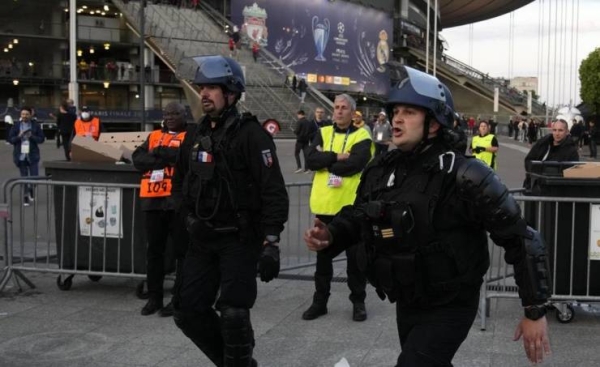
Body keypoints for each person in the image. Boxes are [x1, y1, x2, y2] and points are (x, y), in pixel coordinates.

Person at [303, 65, 552, 366]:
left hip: (452, 301)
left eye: (409, 112)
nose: (396, 118)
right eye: (396, 111)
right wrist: (331, 235)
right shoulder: (383, 169)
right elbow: (359, 215)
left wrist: (534, 311)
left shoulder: (466, 174)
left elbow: (522, 239)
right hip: (408, 296)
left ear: (433, 124)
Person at [171, 55, 289, 367]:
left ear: (232, 93)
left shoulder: (252, 135)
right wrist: (186, 221)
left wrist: (271, 241)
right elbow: (180, 183)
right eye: (202, 87)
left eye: (213, 87)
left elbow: (273, 190)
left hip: (239, 238)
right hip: (201, 236)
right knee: (186, 311)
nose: (204, 94)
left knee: (234, 313)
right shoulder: (194, 135)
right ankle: (231, 360)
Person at [302, 93, 373, 322]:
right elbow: (311, 160)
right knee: (323, 261)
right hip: (324, 207)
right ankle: (319, 302)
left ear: (353, 113)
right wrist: (337, 157)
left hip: (350, 208)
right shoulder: (322, 131)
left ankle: (358, 302)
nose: (339, 111)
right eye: (336, 107)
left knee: (355, 261)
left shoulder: (362, 135)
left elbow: (355, 164)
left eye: (344, 108)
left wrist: (328, 162)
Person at [132, 102, 189, 317]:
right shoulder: (154, 135)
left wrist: (157, 156)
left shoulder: (189, 136)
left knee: (180, 252)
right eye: (167, 114)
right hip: (153, 202)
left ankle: (177, 299)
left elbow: (182, 159)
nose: (170, 117)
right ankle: (155, 297)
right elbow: (137, 159)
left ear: (184, 115)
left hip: (176, 203)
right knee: (154, 252)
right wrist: (162, 156)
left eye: (175, 113)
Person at [523, 118, 579, 190]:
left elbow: (570, 173)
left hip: (556, 190)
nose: (557, 133)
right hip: (534, 187)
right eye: (554, 130)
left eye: (560, 130)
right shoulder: (543, 143)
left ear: (567, 132)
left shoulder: (571, 151)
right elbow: (529, 161)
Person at [8, 106, 45, 206]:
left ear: (30, 115)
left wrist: (31, 136)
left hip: (32, 155)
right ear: (20, 115)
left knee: (34, 177)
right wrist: (18, 136)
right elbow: (11, 140)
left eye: (26, 114)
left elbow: (41, 139)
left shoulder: (35, 126)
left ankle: (31, 189)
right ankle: (25, 197)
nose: (24, 116)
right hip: (20, 156)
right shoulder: (16, 126)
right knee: (24, 177)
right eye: (23, 114)